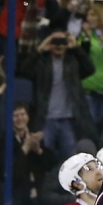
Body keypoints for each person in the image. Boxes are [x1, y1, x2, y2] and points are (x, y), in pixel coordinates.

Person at [19, 30, 97, 163]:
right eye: (55, 42)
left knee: (70, 160)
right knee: (45, 158)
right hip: (46, 118)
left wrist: (76, 48)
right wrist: (39, 50)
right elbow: (24, 71)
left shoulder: (73, 60)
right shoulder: (42, 62)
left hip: (68, 119)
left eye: (62, 42)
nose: (58, 46)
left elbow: (90, 69)